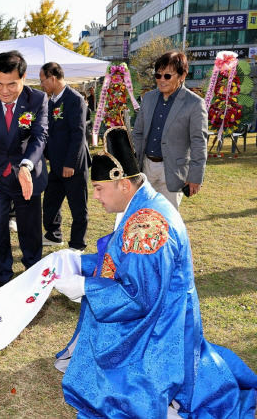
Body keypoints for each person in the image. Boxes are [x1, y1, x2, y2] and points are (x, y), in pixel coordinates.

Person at [54, 127, 257, 417]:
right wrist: (80, 263)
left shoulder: (146, 225)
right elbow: (122, 261)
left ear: (123, 184)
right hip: (171, 308)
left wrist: (85, 287)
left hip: (162, 323)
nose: (96, 197)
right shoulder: (145, 204)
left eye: (99, 188)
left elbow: (137, 297)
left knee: (118, 386)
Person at [0, 50, 49, 289]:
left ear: (23, 78)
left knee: (30, 230)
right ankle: (3, 278)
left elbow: (39, 136)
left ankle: (33, 277)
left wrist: (26, 165)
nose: (4, 90)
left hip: (26, 175)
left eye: (11, 84)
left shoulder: (37, 99)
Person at [131, 51, 207, 211]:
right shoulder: (149, 98)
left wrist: (195, 176)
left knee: (166, 221)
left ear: (182, 75)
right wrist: (132, 165)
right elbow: (138, 133)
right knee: (142, 218)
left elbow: (199, 142)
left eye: (167, 76)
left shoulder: (194, 104)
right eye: (158, 76)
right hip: (145, 168)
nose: (161, 80)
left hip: (173, 171)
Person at [39, 62, 90, 252]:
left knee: (78, 206)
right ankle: (54, 234)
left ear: (52, 78)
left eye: (43, 80)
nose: (42, 84)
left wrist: (71, 164)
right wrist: (45, 154)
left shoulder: (75, 99)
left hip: (72, 165)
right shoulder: (51, 100)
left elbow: (78, 134)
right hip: (56, 163)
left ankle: (78, 244)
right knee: (51, 201)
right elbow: (50, 131)